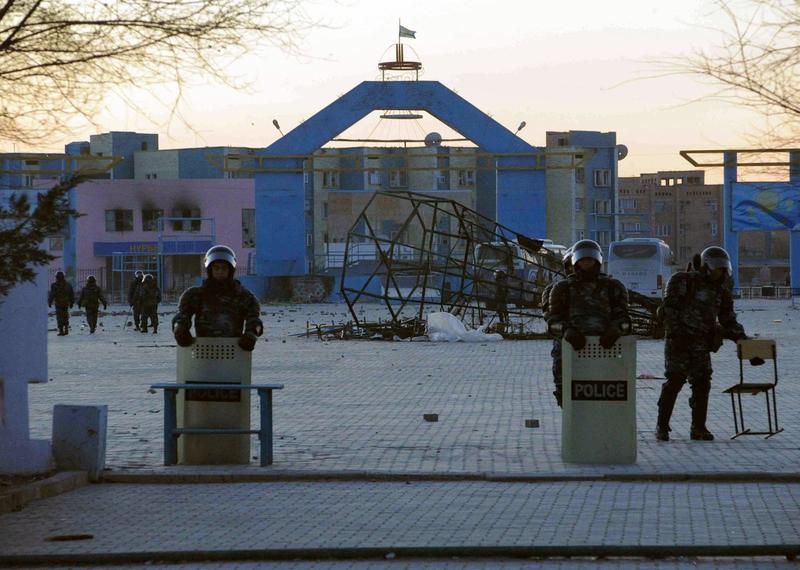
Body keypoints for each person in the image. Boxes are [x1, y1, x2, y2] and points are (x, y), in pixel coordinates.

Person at [656, 246, 748, 442]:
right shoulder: (682, 281)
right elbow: (669, 310)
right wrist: (676, 333)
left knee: (702, 383)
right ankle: (662, 426)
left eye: (723, 269)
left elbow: (728, 319)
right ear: (706, 266)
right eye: (717, 268)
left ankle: (698, 428)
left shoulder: (721, 292)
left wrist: (743, 341)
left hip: (701, 344)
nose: (720, 273)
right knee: (674, 382)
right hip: (678, 342)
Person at [547, 240, 631, 406]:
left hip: (606, 350)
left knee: (607, 398)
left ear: (597, 261)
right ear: (575, 262)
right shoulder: (562, 288)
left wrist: (616, 330)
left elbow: (625, 321)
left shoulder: (613, 287)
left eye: (590, 260)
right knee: (568, 397)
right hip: (570, 350)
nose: (587, 264)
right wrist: (566, 331)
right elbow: (552, 322)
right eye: (583, 261)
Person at [172, 245, 263, 350]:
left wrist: (251, 334)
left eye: (224, 268)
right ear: (210, 270)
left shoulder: (244, 296)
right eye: (216, 268)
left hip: (234, 354)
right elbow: (181, 317)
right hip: (203, 353)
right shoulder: (195, 295)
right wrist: (179, 330)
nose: (220, 271)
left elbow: (256, 323)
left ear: (230, 270)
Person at [542, 247, 573, 407]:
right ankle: (562, 394)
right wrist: (565, 330)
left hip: (598, 343)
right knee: (561, 368)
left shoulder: (604, 286)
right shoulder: (557, 289)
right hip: (567, 341)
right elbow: (550, 316)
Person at [48, 271, 75, 336]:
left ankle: (61, 330)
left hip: (58, 304)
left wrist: (50, 302)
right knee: (65, 316)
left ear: (56, 277)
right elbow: (71, 295)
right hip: (65, 303)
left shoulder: (54, 285)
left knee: (59, 317)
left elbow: (52, 294)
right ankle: (66, 329)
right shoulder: (68, 285)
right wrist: (71, 302)